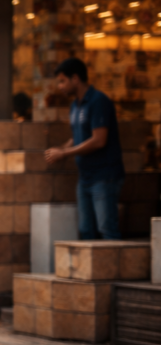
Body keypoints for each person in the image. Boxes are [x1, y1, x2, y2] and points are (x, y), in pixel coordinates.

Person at [45, 58, 124, 240]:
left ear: (75, 79)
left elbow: (98, 140)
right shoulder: (75, 106)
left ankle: (112, 269)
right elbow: (79, 135)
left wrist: (64, 153)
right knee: (86, 230)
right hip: (85, 177)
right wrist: (60, 149)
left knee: (107, 229)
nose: (60, 86)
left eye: (62, 81)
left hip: (105, 177)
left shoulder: (98, 102)